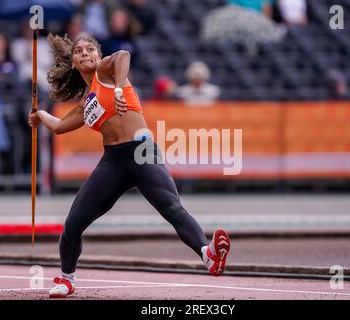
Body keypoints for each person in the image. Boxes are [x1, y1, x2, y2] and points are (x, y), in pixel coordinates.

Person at [28, 33, 231, 299]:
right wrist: (41, 115)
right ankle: (67, 280)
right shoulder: (85, 103)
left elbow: (124, 55)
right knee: (73, 225)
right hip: (113, 161)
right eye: (79, 52)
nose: (85, 53)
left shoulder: (107, 72)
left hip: (141, 151)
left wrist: (120, 87)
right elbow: (59, 127)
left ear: (99, 57)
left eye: (90, 49)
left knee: (171, 207)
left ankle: (209, 256)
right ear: (74, 63)